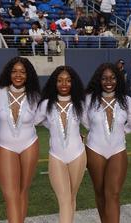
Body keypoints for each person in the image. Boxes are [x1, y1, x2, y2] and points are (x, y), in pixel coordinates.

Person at [84, 63, 131, 222]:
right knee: (100, 193)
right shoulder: (89, 99)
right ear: (98, 80)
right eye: (104, 78)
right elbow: (85, 121)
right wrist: (95, 130)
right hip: (95, 150)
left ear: (118, 79)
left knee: (113, 194)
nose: (109, 81)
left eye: (113, 78)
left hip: (118, 151)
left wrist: (123, 131)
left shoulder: (126, 100)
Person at [35, 66, 86, 223]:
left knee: (71, 197)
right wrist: (51, 125)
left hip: (78, 154)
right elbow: (34, 121)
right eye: (60, 80)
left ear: (73, 83)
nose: (64, 84)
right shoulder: (46, 105)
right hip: (56, 156)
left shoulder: (80, 104)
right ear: (54, 83)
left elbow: (93, 124)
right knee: (64, 200)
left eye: (68, 80)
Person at [0, 57, 41, 223]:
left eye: (22, 72)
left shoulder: (34, 95)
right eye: (14, 71)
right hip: (6, 146)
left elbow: (43, 118)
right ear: (9, 73)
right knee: (10, 195)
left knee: (22, 191)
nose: (18, 75)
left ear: (28, 75)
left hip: (29, 144)